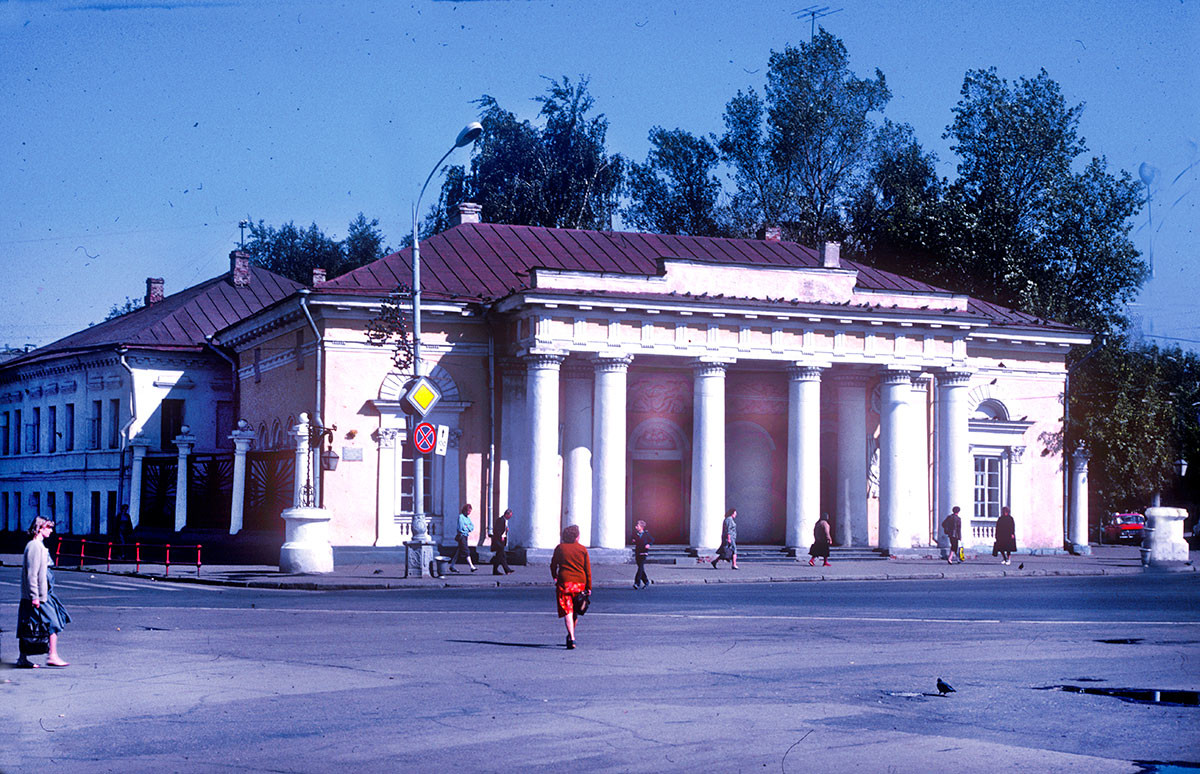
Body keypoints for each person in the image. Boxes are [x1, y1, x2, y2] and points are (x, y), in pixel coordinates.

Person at [17, 517, 70, 668]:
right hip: (39, 595)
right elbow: (32, 574)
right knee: (53, 622)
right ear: (40, 528)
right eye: (49, 527)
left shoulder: (38, 545)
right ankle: (52, 655)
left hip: (41, 593)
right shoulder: (35, 546)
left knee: (27, 624)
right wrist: (35, 596)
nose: (51, 530)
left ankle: (23, 658)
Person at [550, 524, 591, 649]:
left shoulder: (560, 548)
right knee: (576, 611)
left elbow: (553, 565)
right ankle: (571, 634)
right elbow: (587, 570)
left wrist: (555, 576)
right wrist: (589, 587)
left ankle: (571, 637)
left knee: (568, 611)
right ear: (577, 537)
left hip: (564, 583)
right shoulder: (582, 549)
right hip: (580, 584)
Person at [448, 504, 477, 573]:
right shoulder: (461, 517)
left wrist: (467, 527)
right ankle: (472, 566)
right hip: (461, 536)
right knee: (466, 551)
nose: (469, 512)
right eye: (468, 511)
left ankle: (452, 566)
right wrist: (467, 527)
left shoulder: (468, 518)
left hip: (465, 536)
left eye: (470, 511)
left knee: (458, 552)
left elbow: (472, 527)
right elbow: (461, 528)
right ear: (465, 510)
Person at [491, 508, 513, 575]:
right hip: (499, 541)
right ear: (506, 514)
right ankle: (506, 570)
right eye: (510, 515)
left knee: (500, 556)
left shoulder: (504, 520)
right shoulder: (500, 520)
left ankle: (505, 570)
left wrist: (506, 530)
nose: (510, 517)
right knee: (501, 556)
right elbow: (496, 531)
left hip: (502, 541)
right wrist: (500, 537)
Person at [632, 520, 653, 589]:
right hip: (638, 552)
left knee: (640, 568)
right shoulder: (636, 534)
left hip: (644, 553)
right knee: (641, 568)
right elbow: (632, 539)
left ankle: (637, 583)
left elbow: (652, 540)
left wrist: (648, 544)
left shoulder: (646, 534)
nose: (636, 527)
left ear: (641, 527)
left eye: (637, 526)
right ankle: (646, 581)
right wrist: (633, 540)